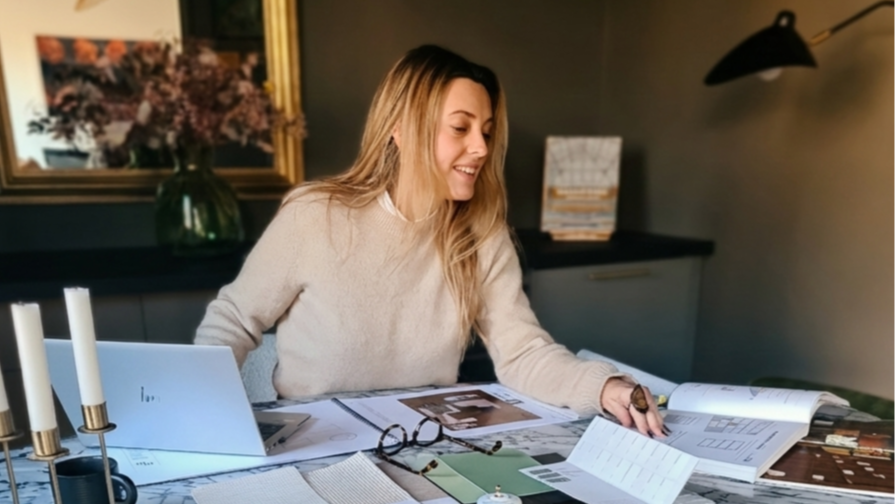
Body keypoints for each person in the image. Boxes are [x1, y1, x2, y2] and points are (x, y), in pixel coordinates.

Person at [195, 44, 666, 438]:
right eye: (461, 128)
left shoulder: (481, 234)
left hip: (420, 442)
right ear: (401, 128)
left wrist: (603, 387)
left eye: (486, 131)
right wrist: (200, 412)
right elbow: (233, 320)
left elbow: (523, 352)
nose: (481, 147)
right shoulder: (316, 214)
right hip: (314, 439)